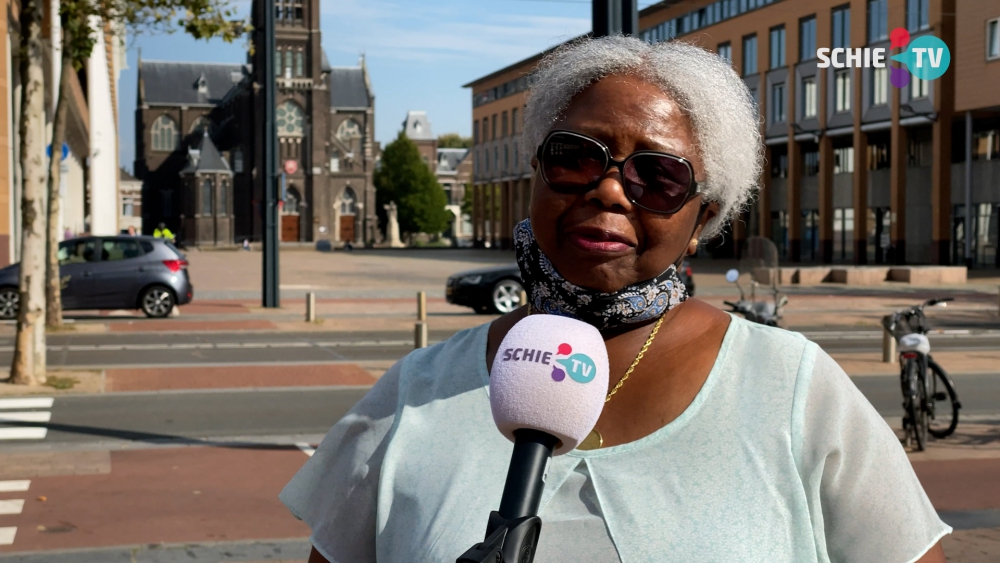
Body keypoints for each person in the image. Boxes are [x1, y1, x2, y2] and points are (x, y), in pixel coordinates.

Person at [280, 37, 949, 563]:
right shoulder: (412, 396)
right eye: (576, 157)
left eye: (657, 175)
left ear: (704, 214)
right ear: (535, 175)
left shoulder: (796, 390)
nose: (607, 190)